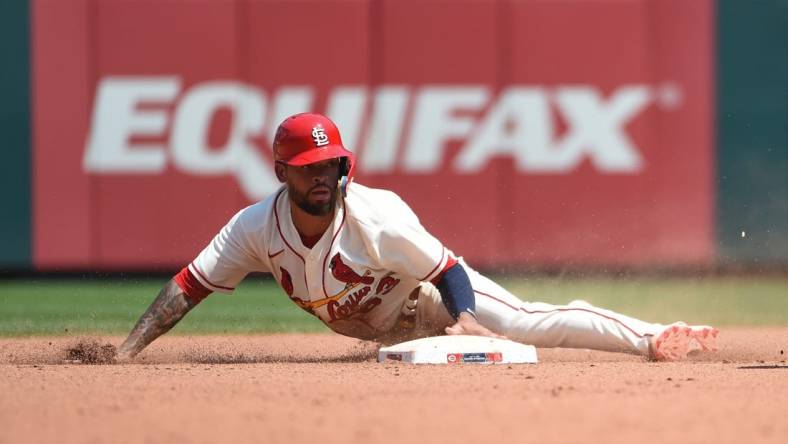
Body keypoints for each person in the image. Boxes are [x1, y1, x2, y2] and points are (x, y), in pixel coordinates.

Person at [116, 113, 718, 362]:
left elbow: (448, 269)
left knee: (525, 321)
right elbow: (187, 287)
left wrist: (467, 320)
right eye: (309, 168)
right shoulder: (255, 229)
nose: (324, 177)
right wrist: (124, 353)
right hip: (381, 326)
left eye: (331, 166)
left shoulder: (374, 220)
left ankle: (653, 338)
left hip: (427, 296)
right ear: (282, 173)